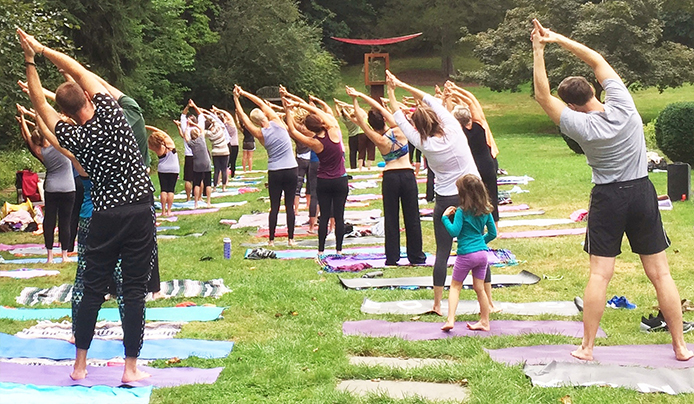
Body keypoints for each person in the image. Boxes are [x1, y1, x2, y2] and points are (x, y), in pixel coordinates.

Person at [531, 19, 693, 362]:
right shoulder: (625, 106)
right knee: (660, 273)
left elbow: (541, 95)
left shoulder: (578, 124)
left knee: (600, 274)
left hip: (608, 197)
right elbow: (597, 60)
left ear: (572, 105)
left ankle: (587, 348)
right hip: (642, 192)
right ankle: (679, 346)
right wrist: (557, 37)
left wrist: (538, 49)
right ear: (594, 90)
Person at [19, 28, 156, 382]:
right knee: (134, 290)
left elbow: (40, 107)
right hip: (138, 210)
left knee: (93, 288)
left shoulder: (72, 136)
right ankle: (130, 369)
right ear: (90, 99)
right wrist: (42, 48)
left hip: (104, 215)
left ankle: (79, 366)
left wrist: (29, 62)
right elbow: (80, 71)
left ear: (67, 111)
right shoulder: (111, 111)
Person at [386, 70, 480, 315]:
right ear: (438, 118)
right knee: (476, 244)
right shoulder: (452, 126)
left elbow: (398, 117)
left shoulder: (422, 143)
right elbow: (428, 98)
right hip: (472, 193)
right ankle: (487, 303)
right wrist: (401, 83)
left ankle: (438, 304)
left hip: (446, 198)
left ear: (418, 126)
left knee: (442, 252)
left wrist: (391, 91)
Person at [346, 86, 427, 266]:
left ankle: (392, 257)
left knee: (391, 218)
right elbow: (383, 109)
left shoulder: (378, 139)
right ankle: (417, 256)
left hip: (390, 177)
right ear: (383, 119)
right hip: (407, 175)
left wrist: (354, 101)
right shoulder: (398, 130)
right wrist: (360, 95)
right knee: (412, 216)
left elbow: (360, 121)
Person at [281, 91, 348, 255]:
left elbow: (293, 131)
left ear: (309, 129)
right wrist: (299, 104)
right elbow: (321, 112)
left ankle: (320, 250)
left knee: (324, 216)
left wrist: (288, 111)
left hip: (324, 181)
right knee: (339, 216)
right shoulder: (333, 129)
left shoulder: (314, 142)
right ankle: (339, 250)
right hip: (340, 180)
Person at [234, 85, 298, 247]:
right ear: (264, 115)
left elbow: (242, 117)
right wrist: (244, 92)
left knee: (274, 206)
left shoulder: (260, 134)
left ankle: (271, 240)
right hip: (291, 169)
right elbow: (261, 103)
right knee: (289, 205)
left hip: (275, 171)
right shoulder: (278, 121)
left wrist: (236, 99)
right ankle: (291, 239)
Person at [16, 107, 76, 263]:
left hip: (51, 188)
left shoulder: (40, 151)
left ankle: (49, 257)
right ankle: (64, 255)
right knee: (65, 222)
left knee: (49, 221)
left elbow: (28, 138)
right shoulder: (61, 146)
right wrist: (37, 113)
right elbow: (53, 125)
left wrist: (23, 119)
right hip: (68, 188)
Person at [441, 174, 496, 331]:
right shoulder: (486, 210)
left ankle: (450, 319)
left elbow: (454, 232)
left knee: (455, 286)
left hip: (466, 254)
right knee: (480, 288)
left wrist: (445, 218)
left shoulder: (461, 211)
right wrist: (480, 243)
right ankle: (485, 321)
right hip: (482, 254)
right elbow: (493, 233)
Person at [147, 126, 179, 217]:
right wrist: (148, 127)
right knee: (171, 190)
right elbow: (161, 131)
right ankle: (169, 210)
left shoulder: (154, 147)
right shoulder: (169, 144)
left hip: (162, 169)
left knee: (164, 189)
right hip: (173, 168)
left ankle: (163, 211)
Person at [181, 118, 212, 209]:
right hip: (206, 163)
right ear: (197, 134)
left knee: (197, 183)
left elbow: (185, 136)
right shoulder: (202, 139)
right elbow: (202, 129)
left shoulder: (191, 143)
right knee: (208, 183)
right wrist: (193, 124)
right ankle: (208, 202)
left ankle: (195, 203)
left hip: (197, 164)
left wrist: (186, 127)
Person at [212, 106, 239, 179]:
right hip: (234, 145)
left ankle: (224, 177)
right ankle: (231, 175)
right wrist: (218, 110)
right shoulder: (229, 125)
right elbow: (226, 115)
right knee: (232, 161)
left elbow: (218, 120)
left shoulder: (224, 126)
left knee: (227, 162)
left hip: (228, 145)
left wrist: (216, 111)